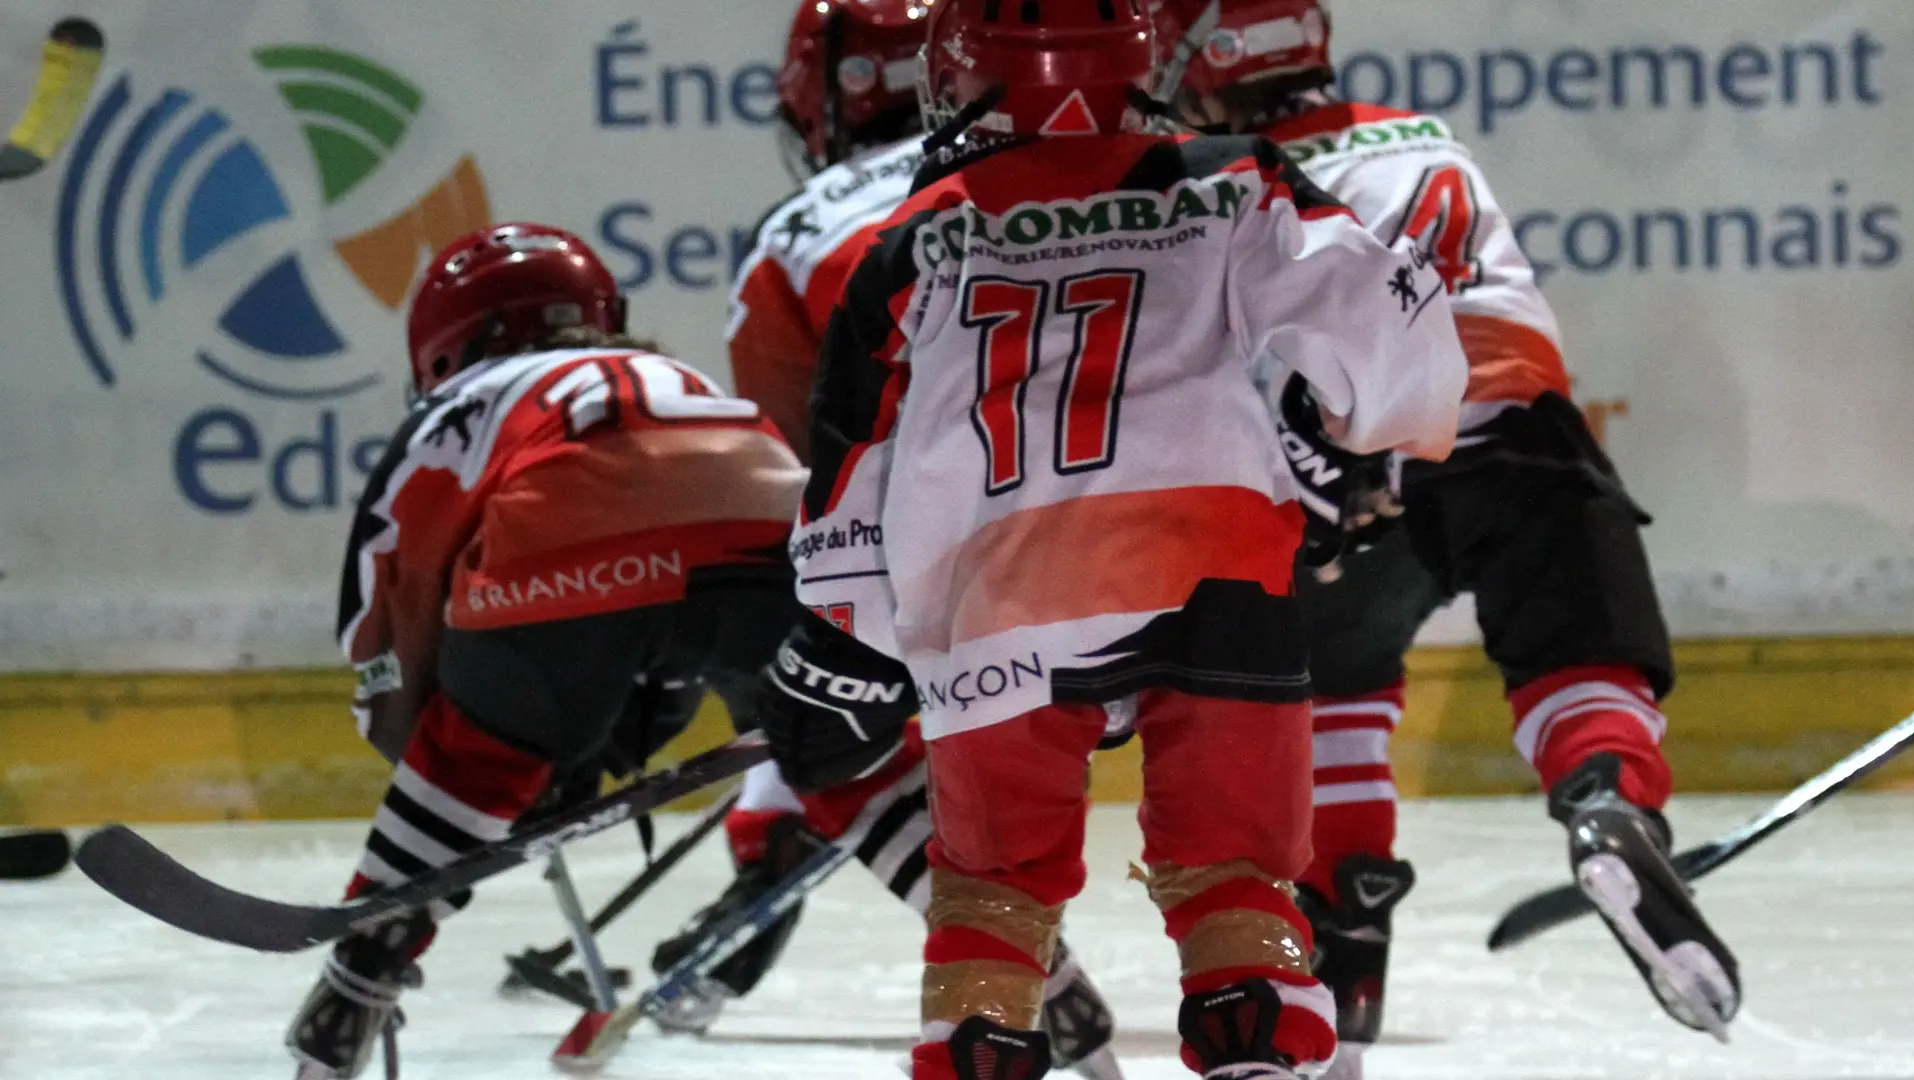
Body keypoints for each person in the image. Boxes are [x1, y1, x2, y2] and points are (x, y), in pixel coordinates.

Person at [768, 0, 1469, 1075]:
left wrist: (852, 641)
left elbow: (853, 466)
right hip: (1217, 568)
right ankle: (1262, 1051)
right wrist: (1377, 444)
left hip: (993, 597)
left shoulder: (917, 232)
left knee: (993, 889)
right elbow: (1393, 327)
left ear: (960, 81)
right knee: (1237, 875)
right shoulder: (1233, 173)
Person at [1150, 0, 1743, 1068]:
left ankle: (1345, 924)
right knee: (1576, 641)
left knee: (1329, 663)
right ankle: (1610, 806)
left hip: (1344, 449)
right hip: (1522, 422)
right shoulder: (1425, 134)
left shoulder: (1214, 168)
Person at [661, 4, 1125, 1074]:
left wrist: (801, 734)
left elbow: (802, 487)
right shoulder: (1070, 162)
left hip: (956, 567)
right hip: (1150, 552)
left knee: (841, 725)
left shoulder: (795, 234)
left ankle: (1001, 961)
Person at [285, 223, 809, 1080]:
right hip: (772, 546)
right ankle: (1025, 969)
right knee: (847, 757)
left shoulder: (467, 400)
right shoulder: (675, 374)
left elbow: (387, 590)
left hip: (569, 569)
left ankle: (356, 979)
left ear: (448, 347)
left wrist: (439, 746)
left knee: (476, 753)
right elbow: (693, 541)